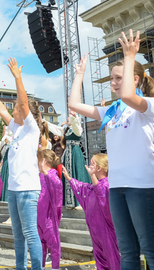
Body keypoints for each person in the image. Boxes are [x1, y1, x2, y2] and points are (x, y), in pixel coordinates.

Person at [68, 30, 154, 269]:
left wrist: (130, 56)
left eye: (119, 77)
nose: (114, 83)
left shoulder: (147, 106)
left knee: (150, 250)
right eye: (112, 79)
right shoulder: (112, 111)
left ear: (135, 79)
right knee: (127, 252)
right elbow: (74, 105)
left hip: (143, 187)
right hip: (117, 188)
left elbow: (128, 95)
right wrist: (80, 75)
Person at [0, 58, 44, 270]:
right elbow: (0, 110)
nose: (12, 109)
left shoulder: (31, 129)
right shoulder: (16, 129)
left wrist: (18, 77)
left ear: (24, 113)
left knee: (30, 234)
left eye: (15, 108)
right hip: (14, 190)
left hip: (27, 189)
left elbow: (23, 103)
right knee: (19, 236)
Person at [63, 154, 120, 270]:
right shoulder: (92, 187)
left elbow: (102, 196)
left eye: (92, 163)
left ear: (99, 168)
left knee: (113, 259)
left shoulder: (108, 185)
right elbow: (82, 187)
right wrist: (69, 178)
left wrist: (92, 176)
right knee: (100, 259)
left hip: (107, 232)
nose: (89, 166)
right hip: (95, 231)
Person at [37, 150, 63, 270]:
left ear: (44, 161)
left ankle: (55, 267)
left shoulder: (52, 174)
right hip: (38, 215)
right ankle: (40, 266)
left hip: (49, 216)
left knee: (53, 243)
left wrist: (45, 173)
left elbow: (58, 186)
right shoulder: (39, 174)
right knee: (39, 245)